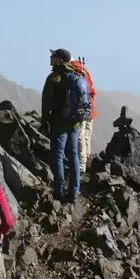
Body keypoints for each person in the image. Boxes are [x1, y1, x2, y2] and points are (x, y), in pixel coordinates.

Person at [41, 48, 90, 202]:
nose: (50, 57)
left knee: (58, 156)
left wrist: (44, 121)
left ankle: (59, 191)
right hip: (75, 122)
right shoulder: (77, 75)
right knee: (74, 155)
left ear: (60, 60)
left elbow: (46, 102)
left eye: (53, 56)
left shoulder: (54, 77)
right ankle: (75, 191)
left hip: (59, 122)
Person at [71, 57, 97, 174]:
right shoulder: (85, 71)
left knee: (80, 136)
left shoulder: (74, 71)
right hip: (91, 109)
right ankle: (86, 161)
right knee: (86, 136)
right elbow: (92, 90)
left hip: (82, 110)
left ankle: (82, 166)